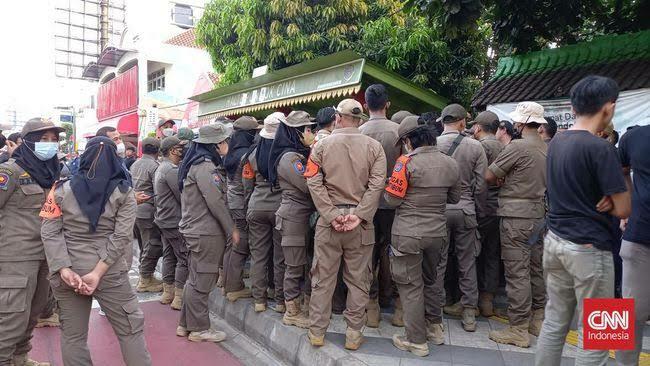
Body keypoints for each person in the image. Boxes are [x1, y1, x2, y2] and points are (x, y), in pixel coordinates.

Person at [535, 76, 631, 366]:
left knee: (554, 323)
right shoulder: (601, 149)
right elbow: (624, 208)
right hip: (591, 248)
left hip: (555, 242)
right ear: (608, 108)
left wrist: (609, 199)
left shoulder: (557, 142)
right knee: (600, 337)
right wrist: (613, 199)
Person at [40, 136, 151, 366]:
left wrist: (63, 269)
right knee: (130, 331)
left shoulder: (59, 190)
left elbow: (49, 232)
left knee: (73, 336)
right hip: (109, 272)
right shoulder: (124, 193)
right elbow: (121, 237)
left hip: (70, 272)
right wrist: (98, 273)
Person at [305, 98, 386, 350]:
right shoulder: (375, 147)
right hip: (360, 226)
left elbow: (312, 181)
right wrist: (359, 215)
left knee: (323, 278)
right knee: (359, 280)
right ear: (359, 119)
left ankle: (317, 332)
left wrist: (329, 214)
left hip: (329, 224)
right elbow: (377, 184)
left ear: (337, 117)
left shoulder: (320, 146)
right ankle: (353, 333)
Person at [385, 116, 460, 356]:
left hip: (408, 233)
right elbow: (455, 198)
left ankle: (416, 340)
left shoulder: (405, 163)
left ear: (408, 141)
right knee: (432, 280)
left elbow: (392, 200)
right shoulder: (450, 163)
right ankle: (435, 328)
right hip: (437, 232)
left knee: (410, 286)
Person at [0, 118, 63, 366]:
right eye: (43, 140)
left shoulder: (52, 172)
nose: (50, 145)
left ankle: (20, 357)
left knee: (33, 313)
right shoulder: (9, 172)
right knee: (10, 317)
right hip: (15, 257)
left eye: (54, 140)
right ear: (27, 143)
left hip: (45, 254)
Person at [485, 102, 548, 347]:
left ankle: (518, 328)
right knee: (535, 267)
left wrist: (504, 178)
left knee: (516, 271)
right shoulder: (546, 147)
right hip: (538, 214)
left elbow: (490, 175)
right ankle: (537, 319)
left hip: (516, 216)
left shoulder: (518, 147)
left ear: (520, 124)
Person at [176, 123, 238, 343]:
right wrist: (231, 229)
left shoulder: (196, 163)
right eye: (224, 141)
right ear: (216, 144)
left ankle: (186, 324)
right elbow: (215, 201)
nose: (227, 145)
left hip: (197, 230)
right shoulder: (205, 167)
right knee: (202, 280)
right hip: (205, 232)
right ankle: (200, 329)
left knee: (194, 279)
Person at [434, 104, 487, 333]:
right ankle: (468, 313)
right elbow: (482, 184)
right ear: (463, 122)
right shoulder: (475, 147)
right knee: (467, 262)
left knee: (438, 261)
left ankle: (435, 310)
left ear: (443, 121)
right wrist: (478, 209)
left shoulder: (432, 144)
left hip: (439, 210)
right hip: (466, 210)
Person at [359, 84, 403, 328]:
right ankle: (398, 307)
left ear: (366, 105)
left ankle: (371, 306)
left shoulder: (359, 132)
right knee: (397, 254)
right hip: (395, 203)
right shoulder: (399, 132)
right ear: (388, 104)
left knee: (368, 255)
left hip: (367, 204)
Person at [268, 111, 315, 328]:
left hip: (298, 216)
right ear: (296, 133)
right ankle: (291, 311)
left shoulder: (295, 155)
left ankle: (296, 306)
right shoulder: (290, 158)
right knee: (294, 265)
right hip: (293, 216)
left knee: (300, 262)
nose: (311, 133)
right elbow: (306, 185)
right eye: (307, 129)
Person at [243, 112, 286, 313]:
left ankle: (259, 300)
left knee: (258, 256)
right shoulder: (287, 155)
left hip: (256, 206)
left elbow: (246, 185)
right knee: (280, 257)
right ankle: (279, 301)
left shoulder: (251, 155)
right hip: (280, 208)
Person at [616, 124, 650, 366]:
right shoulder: (635, 137)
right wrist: (627, 209)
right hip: (639, 239)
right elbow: (622, 170)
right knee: (627, 314)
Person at [222, 117, 259, 303]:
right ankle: (234, 287)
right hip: (240, 204)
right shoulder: (246, 155)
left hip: (230, 202)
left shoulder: (231, 152)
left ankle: (227, 283)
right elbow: (247, 185)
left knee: (232, 244)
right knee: (240, 246)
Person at [472, 111, 504, 317]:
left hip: (481, 207)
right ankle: (487, 301)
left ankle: (469, 300)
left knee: (472, 254)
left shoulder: (479, 147)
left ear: (479, 127)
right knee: (492, 254)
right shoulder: (506, 146)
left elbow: (478, 181)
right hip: (499, 207)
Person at [154, 136, 189, 310]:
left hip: (164, 218)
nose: (183, 150)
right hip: (174, 220)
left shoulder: (162, 167)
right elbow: (182, 197)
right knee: (183, 257)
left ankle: (168, 293)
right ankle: (179, 297)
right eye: (180, 147)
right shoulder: (171, 170)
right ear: (173, 150)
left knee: (169, 255)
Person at [130, 137, 164, 292]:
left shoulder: (135, 164)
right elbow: (159, 192)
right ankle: (145, 279)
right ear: (158, 150)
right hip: (148, 210)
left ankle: (146, 276)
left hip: (134, 210)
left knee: (143, 245)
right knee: (152, 245)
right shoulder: (155, 166)